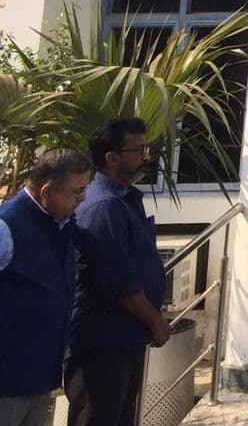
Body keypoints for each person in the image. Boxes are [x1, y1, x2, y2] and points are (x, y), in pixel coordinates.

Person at [66, 119, 171, 426]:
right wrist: (155, 321)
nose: (146, 157)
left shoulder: (124, 199)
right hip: (103, 342)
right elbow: (118, 281)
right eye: (138, 150)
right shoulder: (104, 206)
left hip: (125, 338)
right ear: (112, 158)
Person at [0, 149, 93, 426]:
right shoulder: (6, 226)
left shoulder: (60, 225)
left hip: (38, 378)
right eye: (77, 191)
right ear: (47, 191)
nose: (83, 198)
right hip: (6, 383)